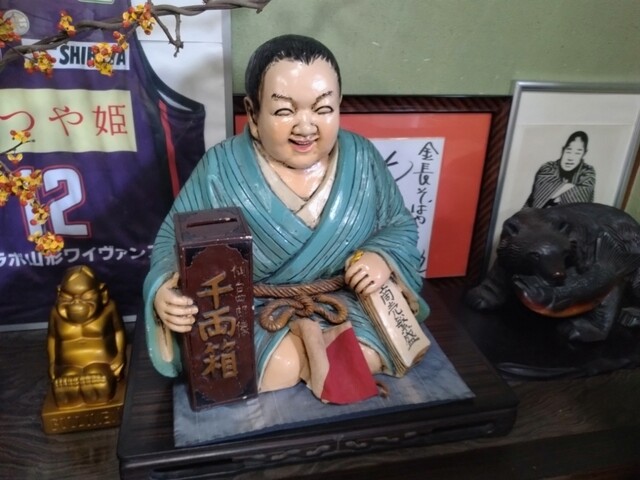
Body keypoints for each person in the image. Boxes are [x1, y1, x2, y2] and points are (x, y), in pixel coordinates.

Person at [143, 34, 429, 404]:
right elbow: (172, 241)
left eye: (323, 109)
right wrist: (164, 291)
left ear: (339, 105)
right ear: (253, 112)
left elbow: (398, 224)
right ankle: (308, 365)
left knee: (367, 353)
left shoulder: (362, 157)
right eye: (284, 111)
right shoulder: (220, 168)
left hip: (343, 305)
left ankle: (321, 363)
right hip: (252, 313)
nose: (306, 127)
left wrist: (381, 256)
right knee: (271, 365)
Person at [524, 130, 595, 208]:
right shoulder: (548, 167)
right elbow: (539, 197)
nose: (570, 158)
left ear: (584, 154)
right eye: (568, 151)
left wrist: (554, 194)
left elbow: (580, 204)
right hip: (535, 214)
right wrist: (570, 187)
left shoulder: (588, 171)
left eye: (577, 153)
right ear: (563, 150)